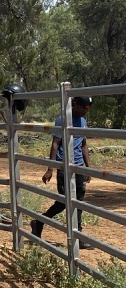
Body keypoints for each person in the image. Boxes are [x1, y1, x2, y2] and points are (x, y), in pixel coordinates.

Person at [30, 96, 94, 249]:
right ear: (75, 104)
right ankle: (39, 222)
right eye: (84, 108)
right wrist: (50, 168)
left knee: (78, 202)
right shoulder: (62, 120)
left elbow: (84, 145)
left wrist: (88, 167)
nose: (86, 112)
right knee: (63, 203)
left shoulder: (83, 121)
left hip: (78, 167)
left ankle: (78, 236)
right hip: (64, 167)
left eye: (88, 109)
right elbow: (55, 144)